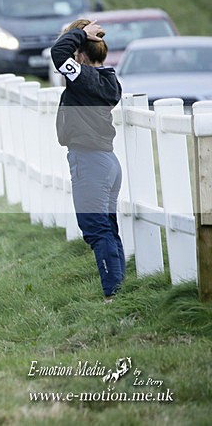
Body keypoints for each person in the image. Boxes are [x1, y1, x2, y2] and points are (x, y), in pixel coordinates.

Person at [51, 19, 124, 303]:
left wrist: (79, 34)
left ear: (80, 53)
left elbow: (58, 55)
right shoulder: (108, 79)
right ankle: (117, 290)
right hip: (107, 161)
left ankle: (112, 295)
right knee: (108, 227)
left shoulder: (83, 78)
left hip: (90, 162)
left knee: (95, 228)